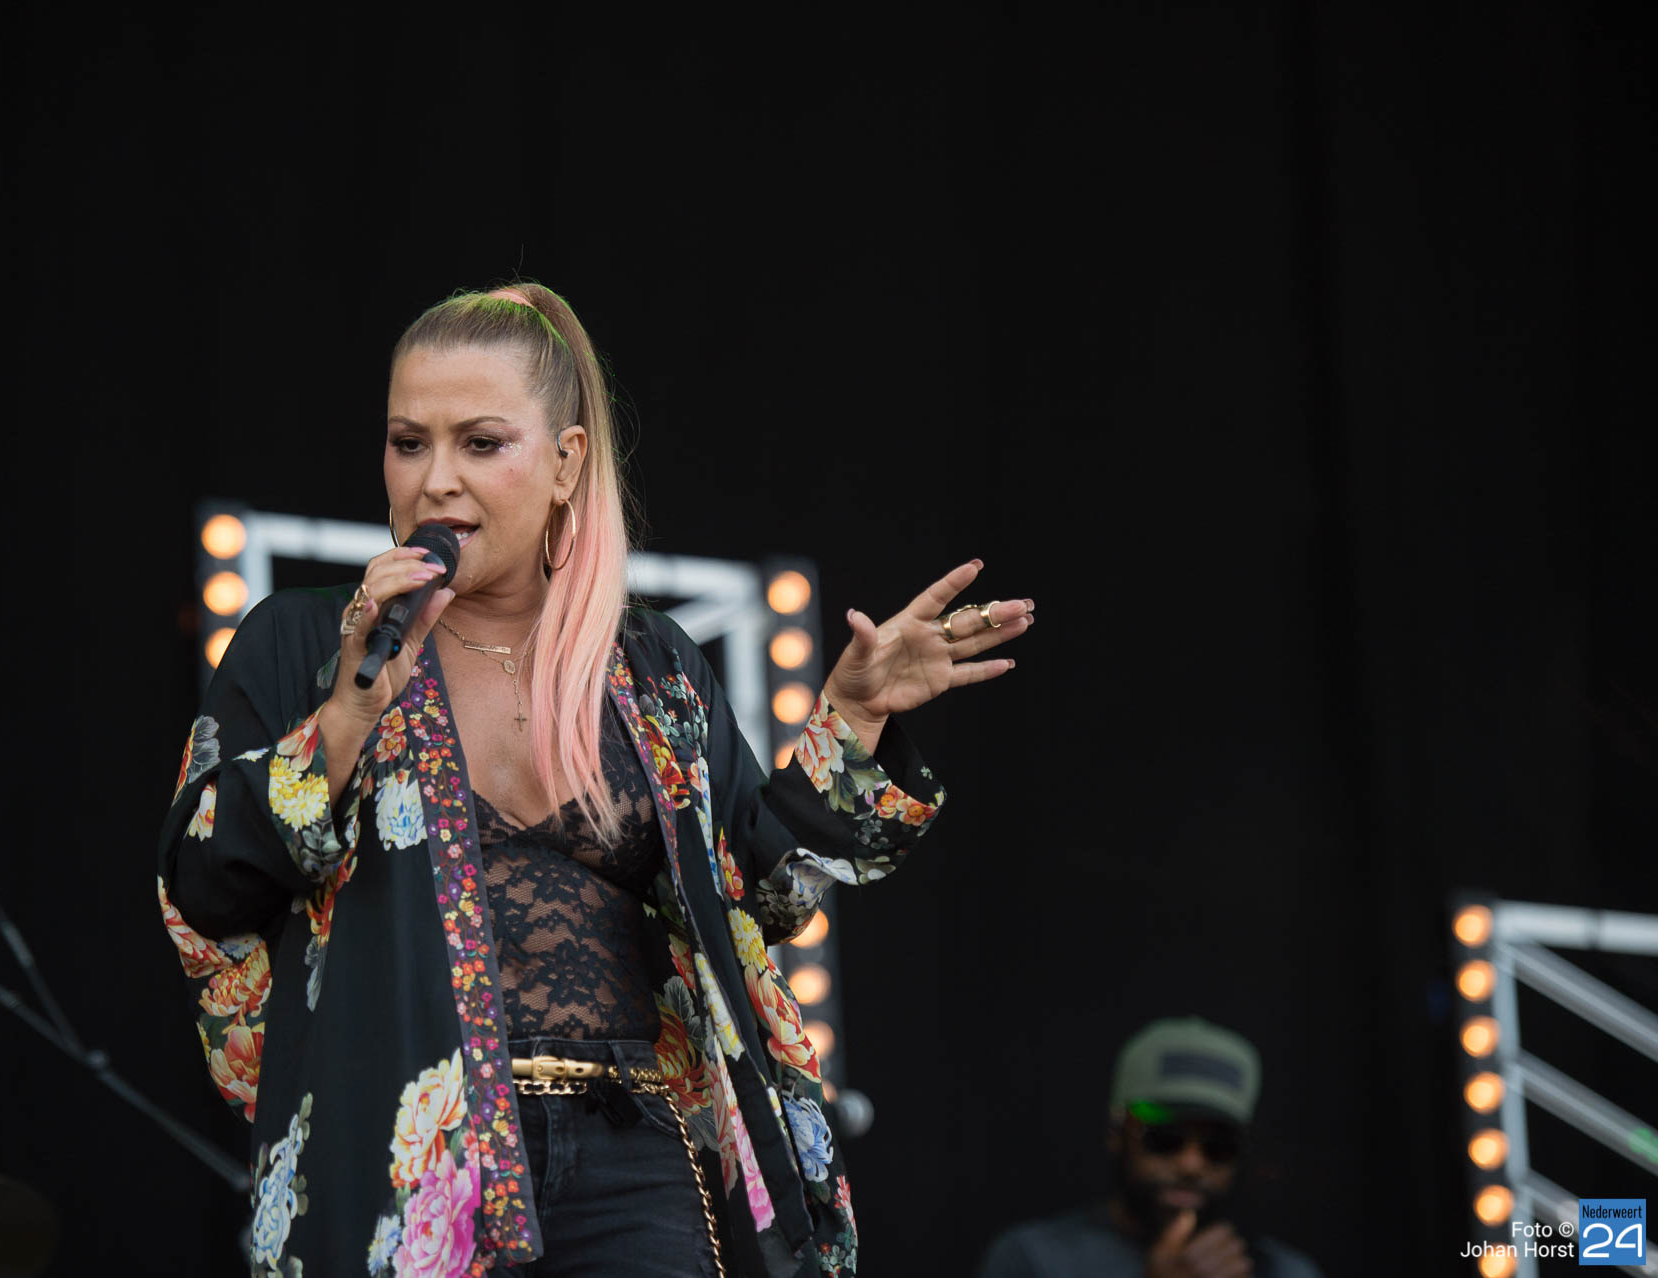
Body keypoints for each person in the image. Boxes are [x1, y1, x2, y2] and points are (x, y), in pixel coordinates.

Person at [156, 282, 1037, 1277]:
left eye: (481, 444)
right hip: (408, 1158)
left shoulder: (652, 667)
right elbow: (206, 886)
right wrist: (349, 714)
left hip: (633, 1154)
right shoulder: (304, 641)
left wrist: (855, 720)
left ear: (567, 461)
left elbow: (762, 900)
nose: (437, 480)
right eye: (409, 443)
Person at [977, 1017, 1322, 1278]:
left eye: (1219, 1147)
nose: (1190, 1164)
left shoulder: (1285, 1271)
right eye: (1165, 1139)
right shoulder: (1036, 1260)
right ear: (1117, 1134)